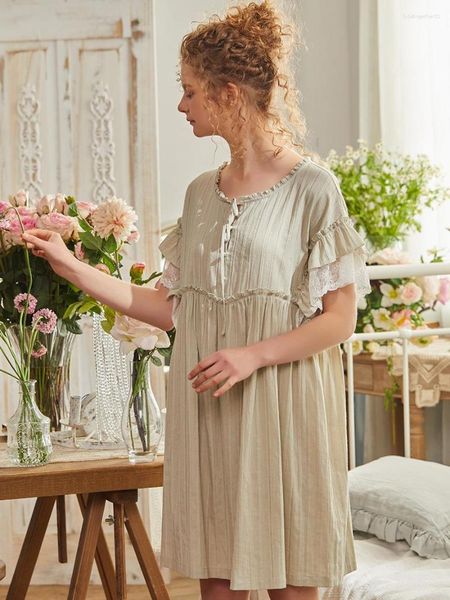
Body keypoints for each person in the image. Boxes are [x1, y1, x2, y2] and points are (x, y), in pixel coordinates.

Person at [23, 1, 371, 598]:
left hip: (283, 413)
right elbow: (169, 307)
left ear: (228, 93)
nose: (182, 105)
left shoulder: (313, 187)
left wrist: (253, 355)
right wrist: (70, 265)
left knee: (293, 587)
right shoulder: (198, 195)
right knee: (217, 585)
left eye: (190, 92)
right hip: (210, 413)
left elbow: (340, 318)